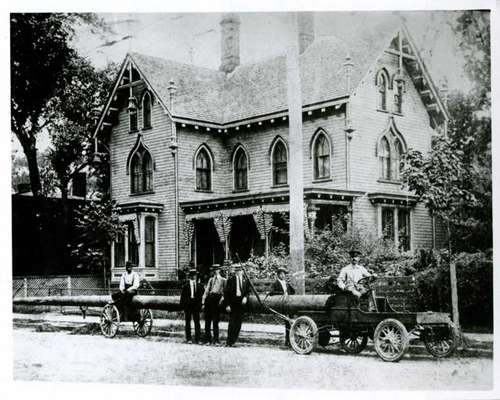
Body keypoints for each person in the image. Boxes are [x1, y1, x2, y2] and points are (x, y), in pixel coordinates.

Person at [224, 263, 250, 347]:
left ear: (243, 271)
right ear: (235, 272)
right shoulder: (231, 280)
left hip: (241, 304)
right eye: (237, 270)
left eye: (240, 270)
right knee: (232, 322)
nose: (239, 272)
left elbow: (247, 292)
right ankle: (229, 341)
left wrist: (245, 297)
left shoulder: (245, 281)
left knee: (239, 323)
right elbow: (226, 293)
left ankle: (233, 340)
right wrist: (227, 305)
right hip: (233, 303)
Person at [268, 267, 295, 346]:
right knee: (287, 322)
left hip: (288, 303)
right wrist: (281, 293)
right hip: (281, 305)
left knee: (291, 322)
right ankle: (288, 341)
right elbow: (271, 292)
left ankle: (290, 340)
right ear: (278, 275)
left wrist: (290, 296)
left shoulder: (286, 283)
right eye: (281, 274)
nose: (283, 276)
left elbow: (293, 290)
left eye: (284, 274)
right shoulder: (275, 283)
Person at [202, 264, 226, 345]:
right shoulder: (211, 279)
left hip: (217, 300)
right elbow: (206, 290)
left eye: (217, 269)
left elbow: (224, 292)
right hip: (210, 300)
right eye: (214, 270)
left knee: (215, 321)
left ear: (219, 270)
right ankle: (207, 339)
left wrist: (222, 300)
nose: (215, 271)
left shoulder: (223, 280)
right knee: (207, 321)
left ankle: (216, 340)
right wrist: (203, 301)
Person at [180, 268, 203, 344]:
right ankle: (188, 338)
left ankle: (198, 339)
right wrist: (183, 308)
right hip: (188, 305)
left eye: (195, 275)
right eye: (192, 275)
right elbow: (182, 298)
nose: (194, 277)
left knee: (197, 322)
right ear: (190, 276)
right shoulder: (186, 286)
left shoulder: (199, 286)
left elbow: (200, 297)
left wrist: (200, 306)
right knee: (188, 322)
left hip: (196, 306)